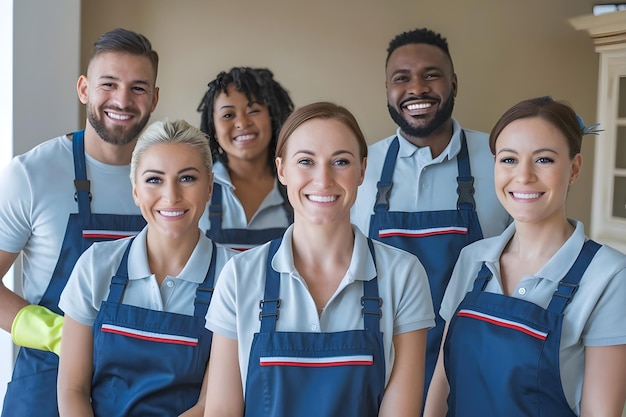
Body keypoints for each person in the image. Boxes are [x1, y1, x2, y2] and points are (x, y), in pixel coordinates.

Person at [202, 102, 435, 417]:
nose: (323, 179)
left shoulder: (403, 275)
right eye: (306, 161)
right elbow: (221, 411)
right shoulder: (240, 276)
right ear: (282, 170)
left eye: (340, 161)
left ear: (362, 170)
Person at [424, 96, 626, 417]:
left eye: (544, 160)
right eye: (508, 160)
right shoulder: (473, 259)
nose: (524, 176)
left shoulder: (609, 276)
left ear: (574, 169)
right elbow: (441, 382)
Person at [0, 28, 159, 416]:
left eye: (139, 88)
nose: (122, 100)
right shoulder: (32, 174)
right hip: (45, 385)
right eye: (109, 84)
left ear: (154, 98)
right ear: (84, 88)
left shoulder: (166, 182)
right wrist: (57, 335)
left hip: (142, 385)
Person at [350, 27, 511, 396]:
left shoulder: (499, 160)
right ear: (387, 89)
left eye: (431, 75)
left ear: (453, 82)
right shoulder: (358, 167)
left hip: (475, 364)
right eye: (401, 78)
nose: (417, 88)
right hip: (380, 365)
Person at [57, 119, 236, 417]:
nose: (171, 196)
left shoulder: (234, 275)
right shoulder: (96, 265)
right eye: (154, 180)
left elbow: (211, 405)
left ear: (209, 188)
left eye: (187, 178)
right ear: (136, 190)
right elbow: (72, 389)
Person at [197, 67, 294, 251]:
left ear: (272, 117)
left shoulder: (298, 186)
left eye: (254, 110)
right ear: (214, 129)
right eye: (228, 115)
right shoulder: (197, 188)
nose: (242, 123)